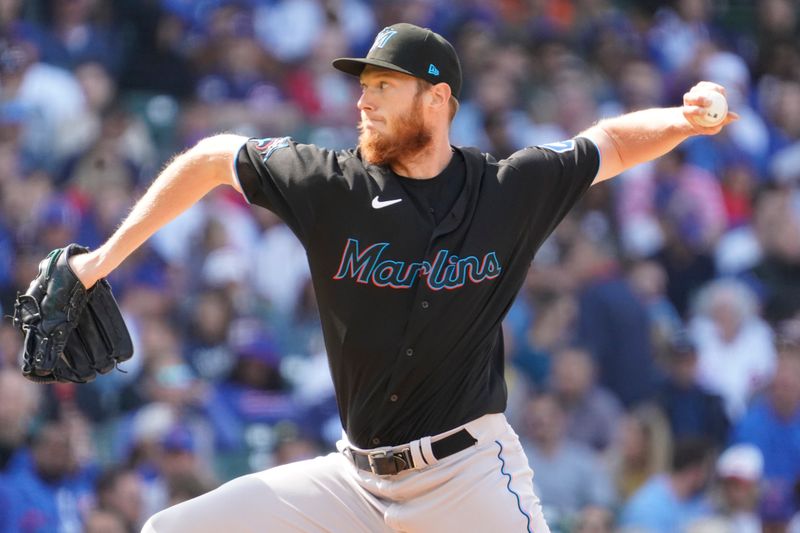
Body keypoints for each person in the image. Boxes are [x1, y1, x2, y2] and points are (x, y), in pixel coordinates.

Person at [63, 22, 736, 533]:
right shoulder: (332, 185)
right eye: (362, 86)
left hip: (467, 476)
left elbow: (610, 143)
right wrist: (96, 264)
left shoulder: (509, 188)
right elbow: (211, 158)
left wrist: (683, 119)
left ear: (438, 98)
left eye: (384, 85)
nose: (364, 100)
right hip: (351, 483)